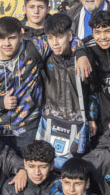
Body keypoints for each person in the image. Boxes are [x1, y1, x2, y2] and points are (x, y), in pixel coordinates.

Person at [0, 17, 45, 152]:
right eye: (1, 38)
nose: (6, 43)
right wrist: (0, 102)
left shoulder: (34, 48)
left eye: (11, 38)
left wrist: (80, 52)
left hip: (30, 128)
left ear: (21, 35)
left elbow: (63, 36)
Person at [36, 13, 97, 164]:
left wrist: (92, 118)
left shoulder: (84, 57)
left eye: (59, 37)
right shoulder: (45, 56)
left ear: (70, 36)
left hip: (77, 122)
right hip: (50, 120)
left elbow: (92, 91)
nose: (55, 43)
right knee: (48, 165)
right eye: (50, 38)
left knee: (75, 168)